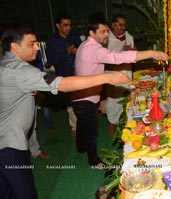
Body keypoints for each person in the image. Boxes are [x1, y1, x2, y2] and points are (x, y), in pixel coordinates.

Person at [0, 26, 131, 199]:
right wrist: (107, 77)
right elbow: (61, 84)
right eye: (32, 44)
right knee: (25, 193)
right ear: (15, 47)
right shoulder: (20, 71)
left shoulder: (6, 64)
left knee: (6, 191)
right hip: (9, 145)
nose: (37, 47)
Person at [71, 12, 169, 168]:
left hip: (79, 95)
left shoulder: (86, 45)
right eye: (102, 32)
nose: (106, 35)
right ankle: (93, 160)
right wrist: (151, 53)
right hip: (85, 97)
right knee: (91, 130)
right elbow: (118, 58)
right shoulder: (94, 49)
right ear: (92, 33)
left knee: (83, 124)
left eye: (106, 31)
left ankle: (80, 147)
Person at [46, 12, 81, 136]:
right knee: (70, 103)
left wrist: (78, 52)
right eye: (65, 25)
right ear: (58, 26)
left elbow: (83, 51)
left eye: (70, 25)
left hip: (78, 73)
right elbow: (50, 61)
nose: (69, 28)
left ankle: (84, 123)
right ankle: (75, 126)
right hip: (64, 76)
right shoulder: (51, 41)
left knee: (81, 100)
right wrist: (66, 52)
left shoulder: (74, 36)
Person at [105, 13, 136, 136]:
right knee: (112, 100)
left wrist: (132, 51)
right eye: (120, 25)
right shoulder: (106, 38)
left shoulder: (129, 37)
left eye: (124, 25)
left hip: (127, 71)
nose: (123, 28)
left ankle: (127, 123)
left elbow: (135, 52)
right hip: (112, 73)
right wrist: (122, 52)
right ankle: (112, 124)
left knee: (127, 97)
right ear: (113, 25)